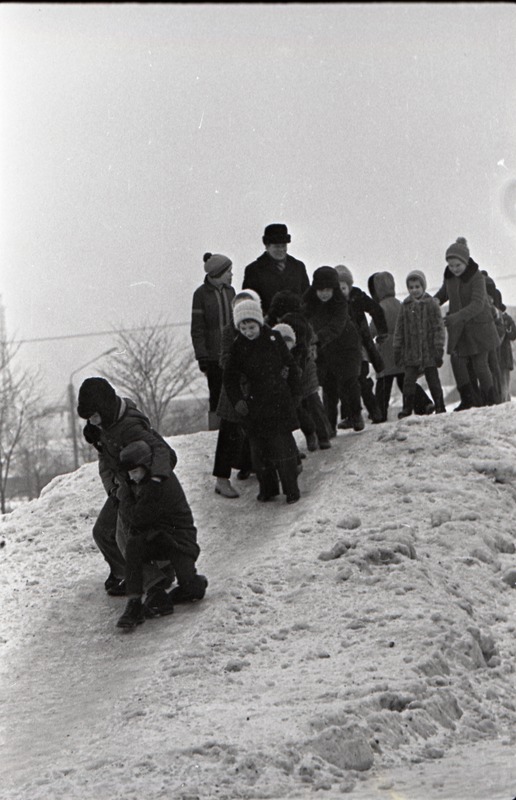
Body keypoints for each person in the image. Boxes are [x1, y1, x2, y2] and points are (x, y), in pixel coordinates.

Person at [77, 377, 177, 608]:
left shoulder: (131, 426)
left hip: (143, 487)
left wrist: (153, 482)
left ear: (106, 408)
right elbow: (104, 460)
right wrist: (112, 489)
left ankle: (154, 583)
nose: (92, 422)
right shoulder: (104, 425)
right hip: (123, 487)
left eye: (94, 416)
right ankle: (131, 575)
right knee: (103, 532)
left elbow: (164, 451)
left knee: (126, 538)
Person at [115, 440, 207, 630]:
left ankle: (192, 583)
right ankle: (134, 604)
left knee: (192, 590)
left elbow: (138, 517)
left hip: (178, 538)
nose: (132, 478)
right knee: (133, 546)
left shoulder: (160, 483)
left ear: (146, 466)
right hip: (157, 537)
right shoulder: (143, 482)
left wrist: (125, 498)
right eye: (129, 473)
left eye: (135, 472)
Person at [223, 298, 302, 504]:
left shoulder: (274, 338)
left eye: (251, 327)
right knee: (260, 451)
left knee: (283, 448)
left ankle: (291, 489)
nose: (248, 332)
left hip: (278, 400)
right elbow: (229, 377)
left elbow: (291, 365)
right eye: (243, 328)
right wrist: (238, 400)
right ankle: (268, 490)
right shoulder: (238, 346)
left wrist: (295, 394)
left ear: (259, 323)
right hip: (254, 404)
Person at [433, 237, 500, 410]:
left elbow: (478, 304)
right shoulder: (449, 276)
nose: (454, 269)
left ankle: (490, 399)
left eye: (458, 265)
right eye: (451, 265)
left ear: (466, 262)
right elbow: (444, 292)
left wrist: (455, 317)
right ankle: (468, 399)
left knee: (480, 364)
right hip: (461, 328)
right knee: (458, 361)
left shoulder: (476, 277)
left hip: (479, 326)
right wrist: (434, 301)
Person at [267, 290, 332, 451]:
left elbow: (300, 349)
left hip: (298, 367)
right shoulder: (301, 321)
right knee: (311, 401)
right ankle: (323, 435)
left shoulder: (289, 323)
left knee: (302, 403)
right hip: (304, 367)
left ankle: (317, 435)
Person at [211, 289, 261, 497]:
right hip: (234, 390)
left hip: (257, 388)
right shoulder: (229, 332)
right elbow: (224, 359)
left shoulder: (260, 329)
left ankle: (254, 464)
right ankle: (222, 480)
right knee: (229, 432)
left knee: (257, 428)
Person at [302, 266, 364, 435]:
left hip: (346, 348)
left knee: (349, 381)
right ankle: (329, 424)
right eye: (320, 290)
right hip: (324, 350)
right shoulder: (308, 303)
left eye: (328, 290)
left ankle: (356, 414)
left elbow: (336, 327)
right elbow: (303, 321)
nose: (324, 294)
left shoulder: (340, 303)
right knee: (328, 386)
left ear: (334, 289)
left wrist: (316, 338)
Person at [368, 271, 434, 421]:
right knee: (405, 380)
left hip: (385, 352)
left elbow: (372, 329)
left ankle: (380, 414)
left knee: (383, 385)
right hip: (402, 349)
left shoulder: (379, 308)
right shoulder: (400, 304)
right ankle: (424, 404)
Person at [335, 264, 387, 426]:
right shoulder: (333, 302)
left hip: (360, 348)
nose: (340, 291)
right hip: (342, 350)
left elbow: (376, 309)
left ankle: (374, 412)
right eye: (337, 287)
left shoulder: (357, 296)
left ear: (349, 286)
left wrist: (382, 330)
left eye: (343, 287)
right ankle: (352, 416)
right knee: (346, 382)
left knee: (360, 380)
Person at [191, 253, 235, 431]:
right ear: (218, 273)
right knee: (216, 393)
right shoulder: (201, 294)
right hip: (213, 355)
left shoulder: (231, 292)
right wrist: (202, 355)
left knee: (234, 390)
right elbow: (197, 328)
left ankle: (234, 426)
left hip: (232, 352)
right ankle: (216, 430)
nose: (231, 275)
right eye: (229, 272)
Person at [393, 270, 446, 418]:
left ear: (423, 286)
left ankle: (440, 405)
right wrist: (397, 349)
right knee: (408, 381)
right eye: (411, 287)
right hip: (411, 353)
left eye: (417, 286)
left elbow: (439, 328)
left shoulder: (431, 304)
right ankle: (407, 408)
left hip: (429, 351)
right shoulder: (405, 306)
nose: (414, 290)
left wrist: (438, 349)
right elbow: (399, 330)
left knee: (433, 380)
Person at [242, 223, 309, 314]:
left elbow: (306, 297)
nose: (281, 250)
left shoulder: (298, 267)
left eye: (283, 246)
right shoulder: (254, 270)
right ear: (267, 246)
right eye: (277, 247)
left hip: (295, 322)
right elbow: (249, 300)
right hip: (268, 324)